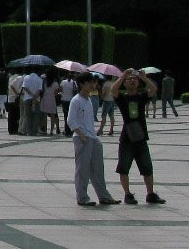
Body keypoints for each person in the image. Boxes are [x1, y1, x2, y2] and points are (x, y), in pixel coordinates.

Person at [105, 68, 165, 205]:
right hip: (127, 137)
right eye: (129, 79)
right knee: (124, 167)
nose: (132, 81)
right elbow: (113, 90)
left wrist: (144, 78)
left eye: (134, 79)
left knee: (147, 167)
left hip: (141, 137)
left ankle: (150, 193)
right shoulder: (122, 97)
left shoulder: (141, 96)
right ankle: (127, 194)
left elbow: (154, 90)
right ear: (125, 83)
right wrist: (123, 75)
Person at [65, 74, 117, 208]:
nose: (93, 85)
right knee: (83, 170)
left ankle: (104, 196)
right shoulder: (76, 100)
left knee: (98, 169)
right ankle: (82, 197)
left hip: (93, 138)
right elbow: (70, 120)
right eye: (90, 83)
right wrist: (81, 136)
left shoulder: (89, 100)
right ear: (82, 84)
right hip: (82, 138)